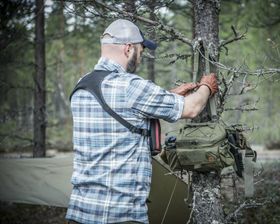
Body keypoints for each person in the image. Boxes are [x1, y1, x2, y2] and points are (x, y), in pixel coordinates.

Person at [66, 19, 218, 224]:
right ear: (128, 48)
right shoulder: (130, 86)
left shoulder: (82, 85)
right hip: (120, 214)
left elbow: (126, 111)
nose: (141, 56)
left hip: (80, 212)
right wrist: (206, 87)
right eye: (141, 50)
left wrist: (169, 95)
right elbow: (191, 108)